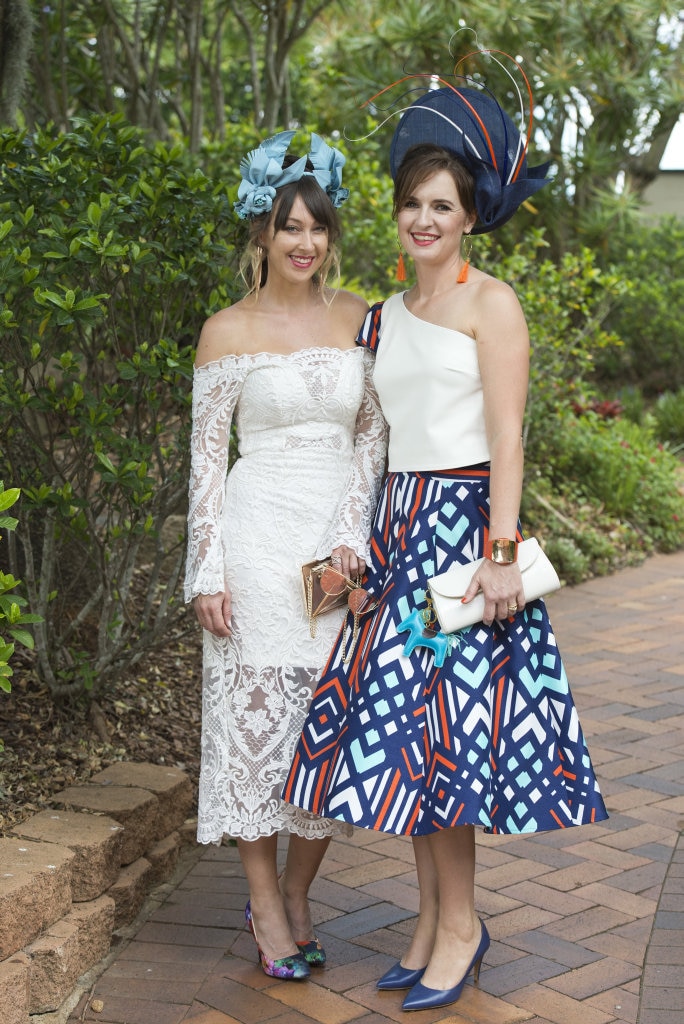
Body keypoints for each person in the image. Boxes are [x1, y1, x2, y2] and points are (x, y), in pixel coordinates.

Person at [283, 74, 608, 1010]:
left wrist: (502, 556)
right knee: (410, 739)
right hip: (398, 535)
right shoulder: (386, 317)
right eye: (411, 206)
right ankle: (431, 923)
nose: (423, 221)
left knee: (443, 744)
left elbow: (508, 436)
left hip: (463, 541)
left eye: (442, 206)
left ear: (470, 218)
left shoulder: (489, 304)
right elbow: (375, 440)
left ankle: (460, 928)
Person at [184, 130, 387, 982]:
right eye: (287, 227)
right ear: (260, 234)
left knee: (327, 731)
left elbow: (375, 433)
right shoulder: (225, 330)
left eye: (317, 228)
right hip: (257, 542)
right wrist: (206, 568)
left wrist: (353, 533)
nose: (304, 243)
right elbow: (204, 458)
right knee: (255, 734)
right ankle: (267, 903)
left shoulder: (359, 317)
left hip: (335, 551)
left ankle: (302, 892)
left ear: (330, 235)